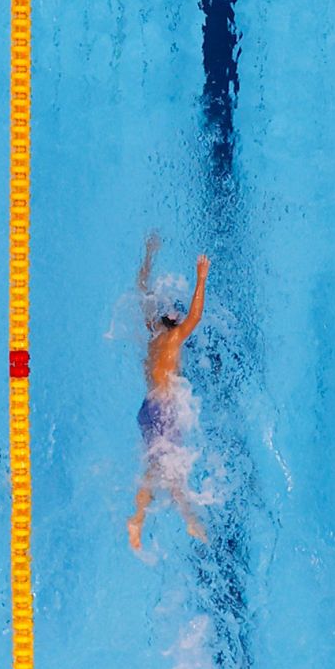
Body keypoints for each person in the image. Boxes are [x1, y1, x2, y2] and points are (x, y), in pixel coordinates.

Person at [128, 235, 210, 551]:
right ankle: (138, 518)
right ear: (172, 320)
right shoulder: (173, 339)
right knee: (164, 467)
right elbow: (196, 315)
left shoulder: (153, 336)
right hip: (163, 409)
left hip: (147, 408)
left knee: (165, 466)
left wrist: (148, 254)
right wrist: (201, 278)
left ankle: (188, 519)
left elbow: (142, 291)